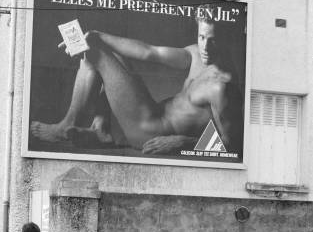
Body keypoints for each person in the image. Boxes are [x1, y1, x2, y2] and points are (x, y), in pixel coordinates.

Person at [31, 10, 243, 155]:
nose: (205, 47)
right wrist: (99, 35)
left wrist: (181, 142)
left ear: (227, 39)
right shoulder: (196, 54)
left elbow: (231, 145)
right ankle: (101, 130)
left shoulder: (222, 87)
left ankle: (66, 126)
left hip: (150, 132)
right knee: (106, 49)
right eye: (202, 37)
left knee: (94, 53)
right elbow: (149, 52)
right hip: (152, 114)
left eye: (213, 39)